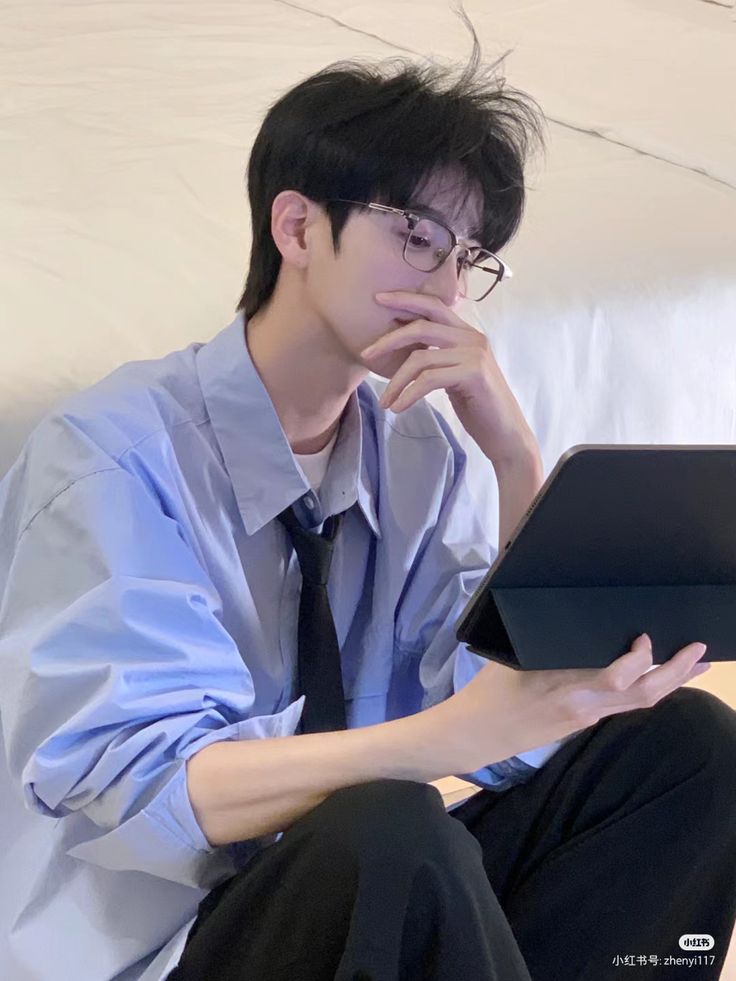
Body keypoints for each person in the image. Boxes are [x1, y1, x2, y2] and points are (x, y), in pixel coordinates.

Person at [1, 9, 735, 981]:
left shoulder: (411, 451)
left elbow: (494, 705)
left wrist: (514, 460)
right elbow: (151, 793)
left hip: (350, 885)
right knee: (389, 831)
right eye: (419, 238)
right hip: (161, 939)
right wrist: (447, 738)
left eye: (469, 259)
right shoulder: (111, 460)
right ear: (298, 225)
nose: (447, 291)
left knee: (684, 747)